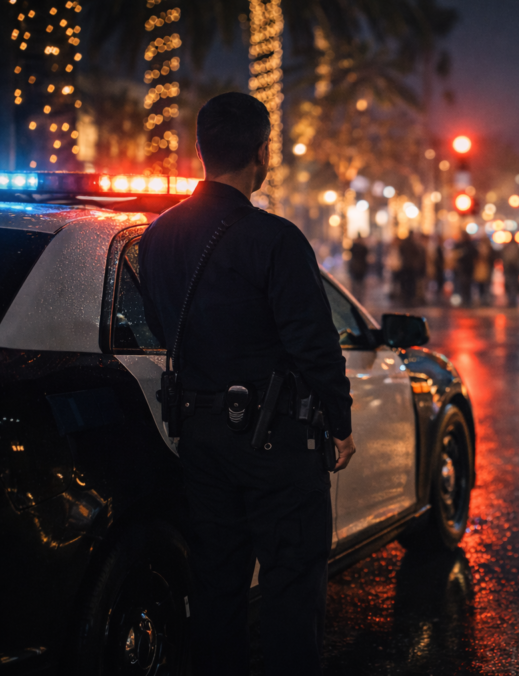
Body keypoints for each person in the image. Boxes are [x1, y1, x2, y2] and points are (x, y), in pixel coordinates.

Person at [137, 93, 356, 676]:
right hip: (278, 443)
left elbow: (163, 327)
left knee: (217, 587)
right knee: (290, 587)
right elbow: (315, 343)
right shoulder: (275, 239)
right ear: (261, 154)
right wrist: (340, 423)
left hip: (200, 439)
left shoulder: (156, 238)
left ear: (204, 151)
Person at [502, 237, 519, 307]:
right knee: (514, 284)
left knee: (510, 284)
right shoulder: (517, 248)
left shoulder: (507, 248)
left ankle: (511, 300)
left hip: (509, 269)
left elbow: (504, 259)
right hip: (515, 269)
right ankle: (513, 299)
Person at [348, 234, 369, 299]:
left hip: (355, 267)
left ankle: (355, 296)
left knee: (355, 283)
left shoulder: (355, 246)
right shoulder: (363, 247)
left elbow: (350, 250)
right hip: (361, 267)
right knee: (360, 283)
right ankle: (359, 296)